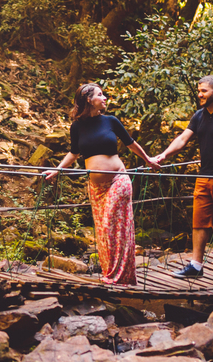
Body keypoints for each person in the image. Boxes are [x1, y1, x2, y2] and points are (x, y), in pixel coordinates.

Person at [44, 82, 160, 285]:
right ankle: (112, 275)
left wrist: (148, 159)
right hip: (96, 188)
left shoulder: (111, 121)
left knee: (110, 225)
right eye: (100, 94)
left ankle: (117, 276)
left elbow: (131, 144)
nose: (105, 97)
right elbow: (74, 152)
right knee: (103, 230)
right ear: (89, 99)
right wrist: (58, 169)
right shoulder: (77, 127)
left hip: (118, 180)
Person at [151, 75, 213, 280]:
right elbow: (183, 138)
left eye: (203, 91)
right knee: (199, 222)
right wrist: (164, 155)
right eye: (199, 91)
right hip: (203, 177)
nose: (200, 95)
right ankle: (196, 265)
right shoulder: (199, 115)